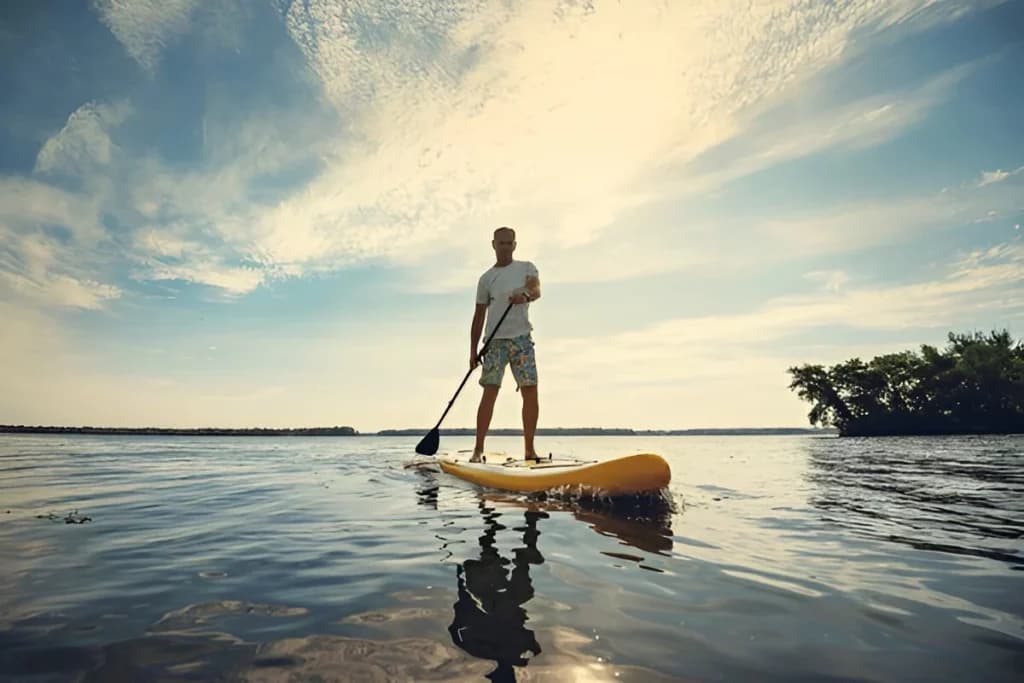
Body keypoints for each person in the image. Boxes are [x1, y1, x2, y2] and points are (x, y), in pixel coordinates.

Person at [470, 227, 541, 463]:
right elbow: (479, 316)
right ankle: (478, 450)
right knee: (489, 393)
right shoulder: (486, 279)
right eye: (501, 243)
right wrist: (472, 351)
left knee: (530, 391)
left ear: (515, 245)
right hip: (494, 342)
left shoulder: (526, 268)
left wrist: (526, 296)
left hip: (521, 339)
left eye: (510, 243)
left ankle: (529, 450)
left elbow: (536, 289)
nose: (506, 247)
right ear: (493, 245)